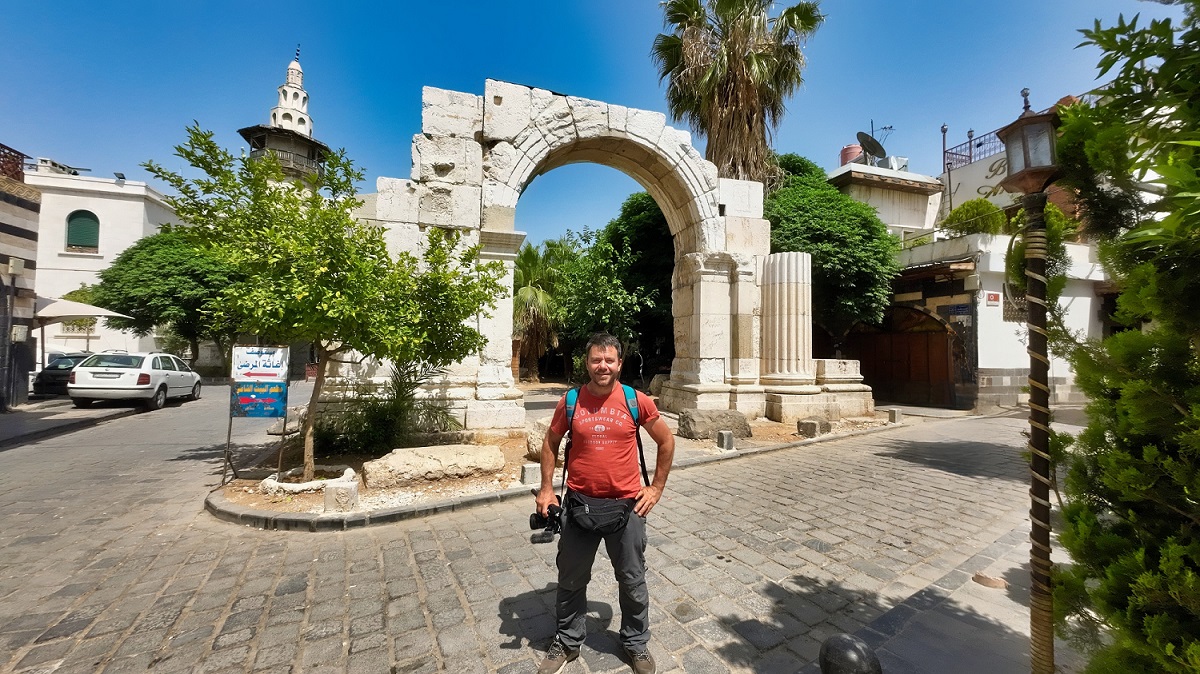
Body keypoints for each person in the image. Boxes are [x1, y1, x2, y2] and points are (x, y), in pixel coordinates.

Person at [535, 332, 675, 674]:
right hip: (579, 505)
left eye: (609, 360)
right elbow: (550, 443)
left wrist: (655, 488)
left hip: (627, 508)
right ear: (587, 363)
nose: (602, 366)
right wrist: (546, 490)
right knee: (570, 578)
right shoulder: (571, 402)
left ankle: (635, 643)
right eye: (596, 360)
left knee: (631, 579)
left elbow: (667, 441)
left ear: (619, 364)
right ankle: (567, 641)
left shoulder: (634, 400)